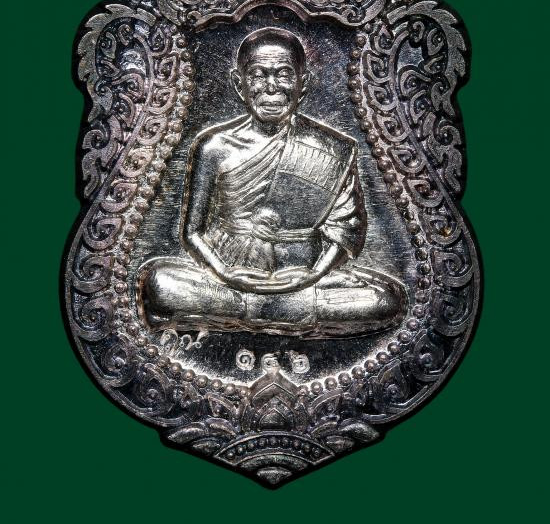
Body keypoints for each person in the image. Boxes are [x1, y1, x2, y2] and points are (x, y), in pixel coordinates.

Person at [140, 27, 406, 337]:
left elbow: (347, 231)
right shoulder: (213, 147)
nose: (271, 87)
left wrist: (313, 274)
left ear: (302, 84)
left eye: (283, 74)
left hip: (304, 278)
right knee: (160, 284)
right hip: (229, 279)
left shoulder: (333, 148)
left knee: (385, 299)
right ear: (239, 84)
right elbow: (191, 233)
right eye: (258, 75)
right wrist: (226, 273)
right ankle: (281, 312)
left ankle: (248, 313)